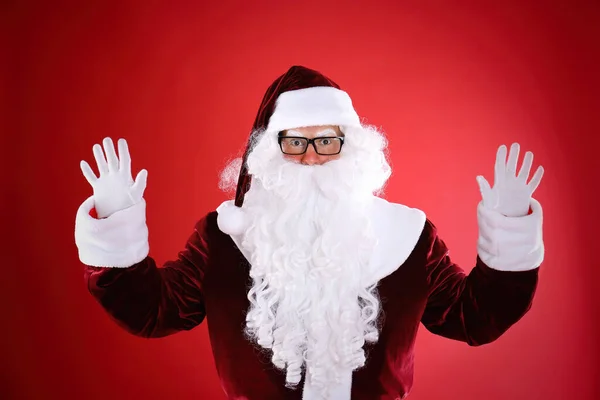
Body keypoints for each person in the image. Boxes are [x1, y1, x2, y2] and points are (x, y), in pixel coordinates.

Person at [74, 65, 545, 400]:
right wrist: (116, 221)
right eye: (296, 143)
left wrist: (510, 227)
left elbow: (472, 317)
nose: (313, 158)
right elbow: (155, 311)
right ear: (270, 152)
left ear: (352, 147)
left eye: (326, 141)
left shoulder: (408, 237)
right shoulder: (224, 237)